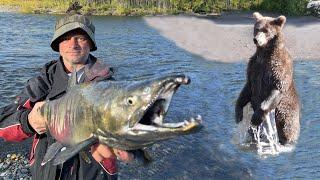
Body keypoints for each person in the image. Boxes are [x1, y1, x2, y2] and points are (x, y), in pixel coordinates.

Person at [0, 11, 134, 179]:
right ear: (57, 45)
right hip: (46, 172)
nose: (73, 44)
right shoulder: (43, 82)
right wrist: (29, 122)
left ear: (91, 44)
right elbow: (3, 123)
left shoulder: (109, 85)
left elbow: (131, 133)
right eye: (65, 38)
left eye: (81, 37)